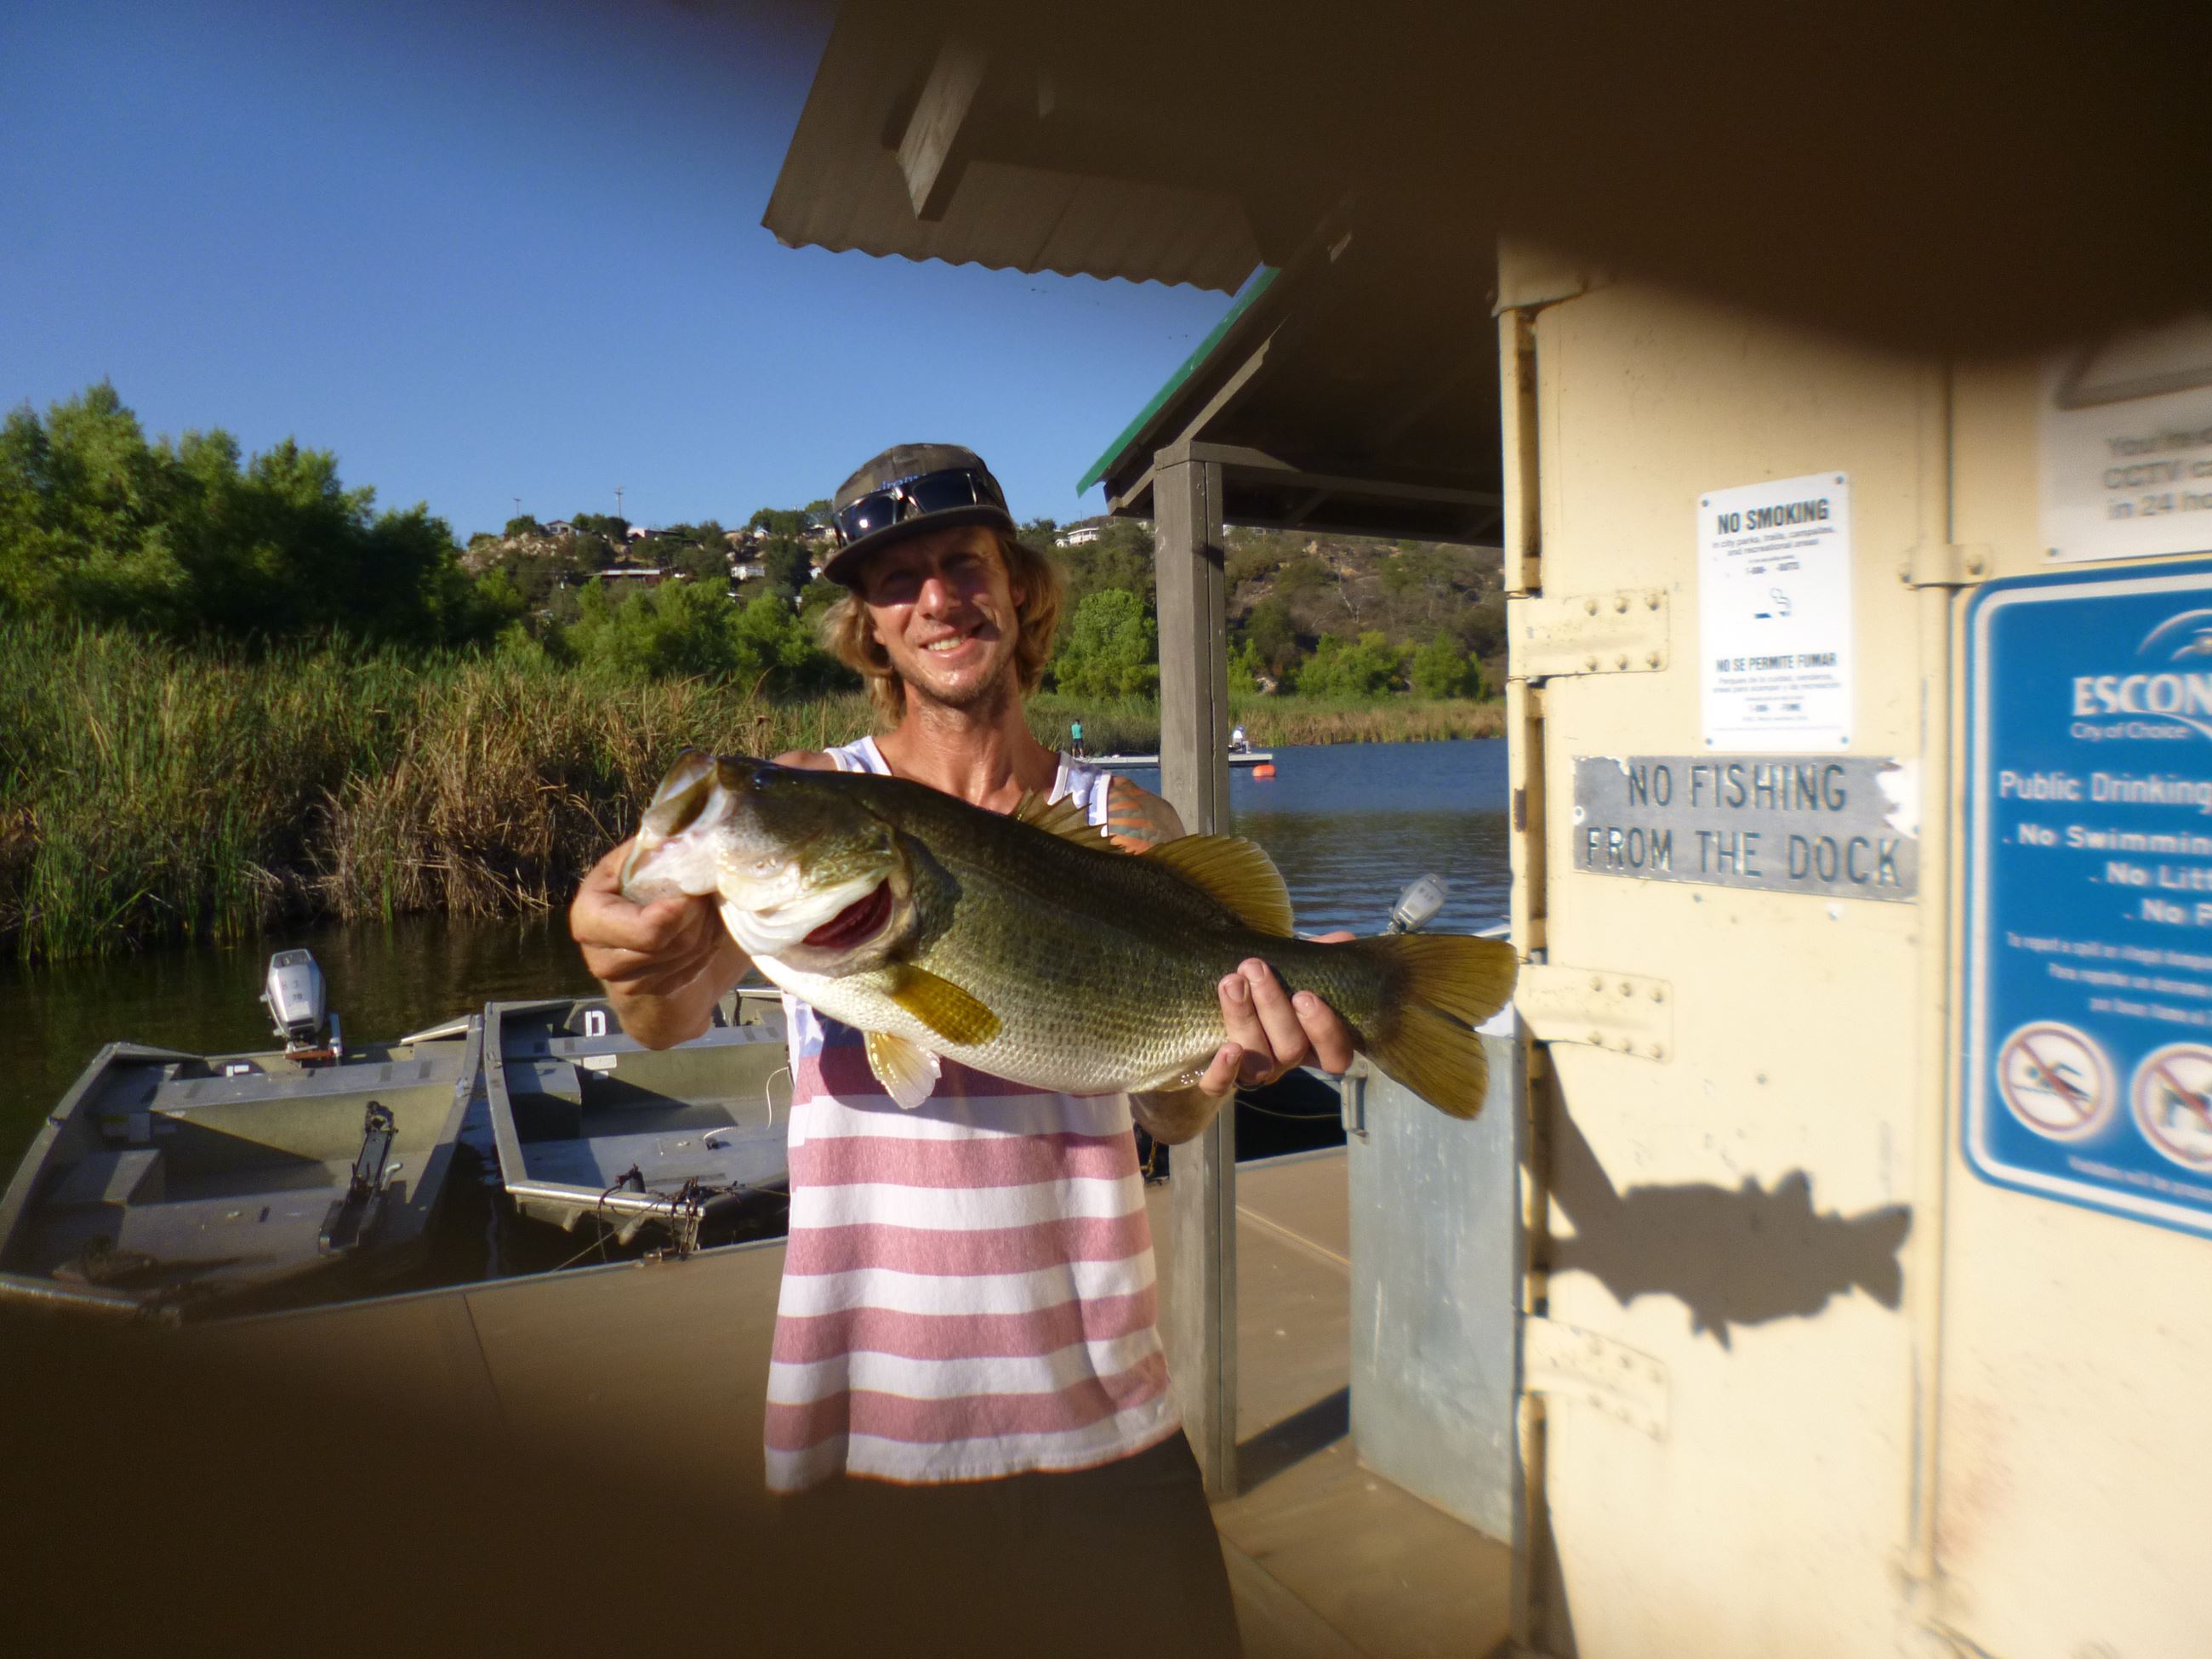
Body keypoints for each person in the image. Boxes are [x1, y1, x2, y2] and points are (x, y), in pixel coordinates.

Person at [569, 443, 1354, 1656]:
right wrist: (625, 948)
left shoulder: (1123, 825)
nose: (936, 597)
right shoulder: (821, 798)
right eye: (895, 581)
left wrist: (1231, 1052)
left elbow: (1172, 1113)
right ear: (870, 629)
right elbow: (668, 1009)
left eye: (962, 562)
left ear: (1018, 587)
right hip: (867, 1419)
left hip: (1102, 1410)